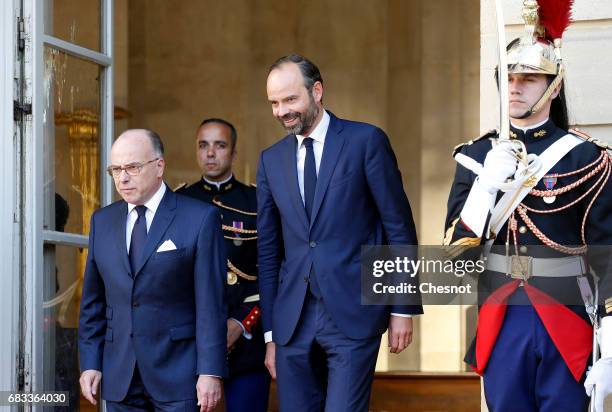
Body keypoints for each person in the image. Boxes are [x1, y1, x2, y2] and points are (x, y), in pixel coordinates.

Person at [444, 1, 612, 410]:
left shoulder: (585, 159)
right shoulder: (476, 154)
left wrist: (610, 340)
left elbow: (608, 254)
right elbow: (455, 257)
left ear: (553, 87)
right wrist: (485, 186)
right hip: (502, 314)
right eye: (510, 77)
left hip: (567, 313)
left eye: (530, 78)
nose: (515, 87)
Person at [257, 54, 422, 411]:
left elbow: (398, 227)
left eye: (290, 99)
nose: (281, 111)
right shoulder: (270, 160)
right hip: (291, 322)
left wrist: (402, 308)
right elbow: (269, 253)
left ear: (317, 91)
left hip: (354, 313)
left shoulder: (366, 141)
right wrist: (271, 334)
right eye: (274, 102)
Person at [78, 129, 227, 412]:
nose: (122, 178)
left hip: (178, 374)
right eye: (115, 169)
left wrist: (210, 371)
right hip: (119, 374)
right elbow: (93, 303)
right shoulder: (102, 221)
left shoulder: (199, 218)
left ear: (159, 166)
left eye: (132, 167)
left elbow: (211, 304)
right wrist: (90, 363)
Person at [177, 118, 269, 412]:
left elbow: (272, 271)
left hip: (246, 340)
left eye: (220, 145)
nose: (211, 153)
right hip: (191, 341)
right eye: (203, 145)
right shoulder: (177, 202)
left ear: (233, 153)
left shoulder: (257, 201)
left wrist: (241, 322)